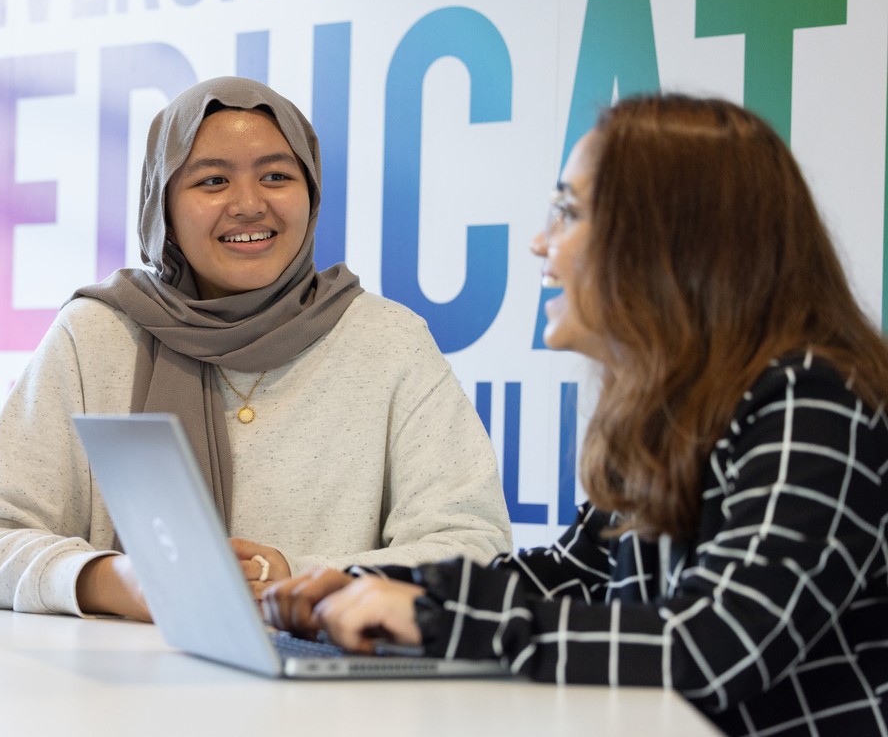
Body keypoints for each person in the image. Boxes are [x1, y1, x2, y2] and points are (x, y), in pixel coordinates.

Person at [263, 94, 888, 736]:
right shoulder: (671, 403)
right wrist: (360, 585)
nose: (540, 242)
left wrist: (435, 620)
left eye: (567, 212)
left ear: (669, 238)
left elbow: (715, 644)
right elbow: (574, 575)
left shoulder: (812, 400)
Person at [0, 76, 512, 620]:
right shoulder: (97, 336)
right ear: (162, 206)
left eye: (275, 176)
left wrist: (301, 578)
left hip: (323, 706)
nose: (248, 204)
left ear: (310, 193)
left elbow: (475, 545)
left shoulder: (389, 342)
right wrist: (116, 581)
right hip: (126, 703)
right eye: (212, 181)